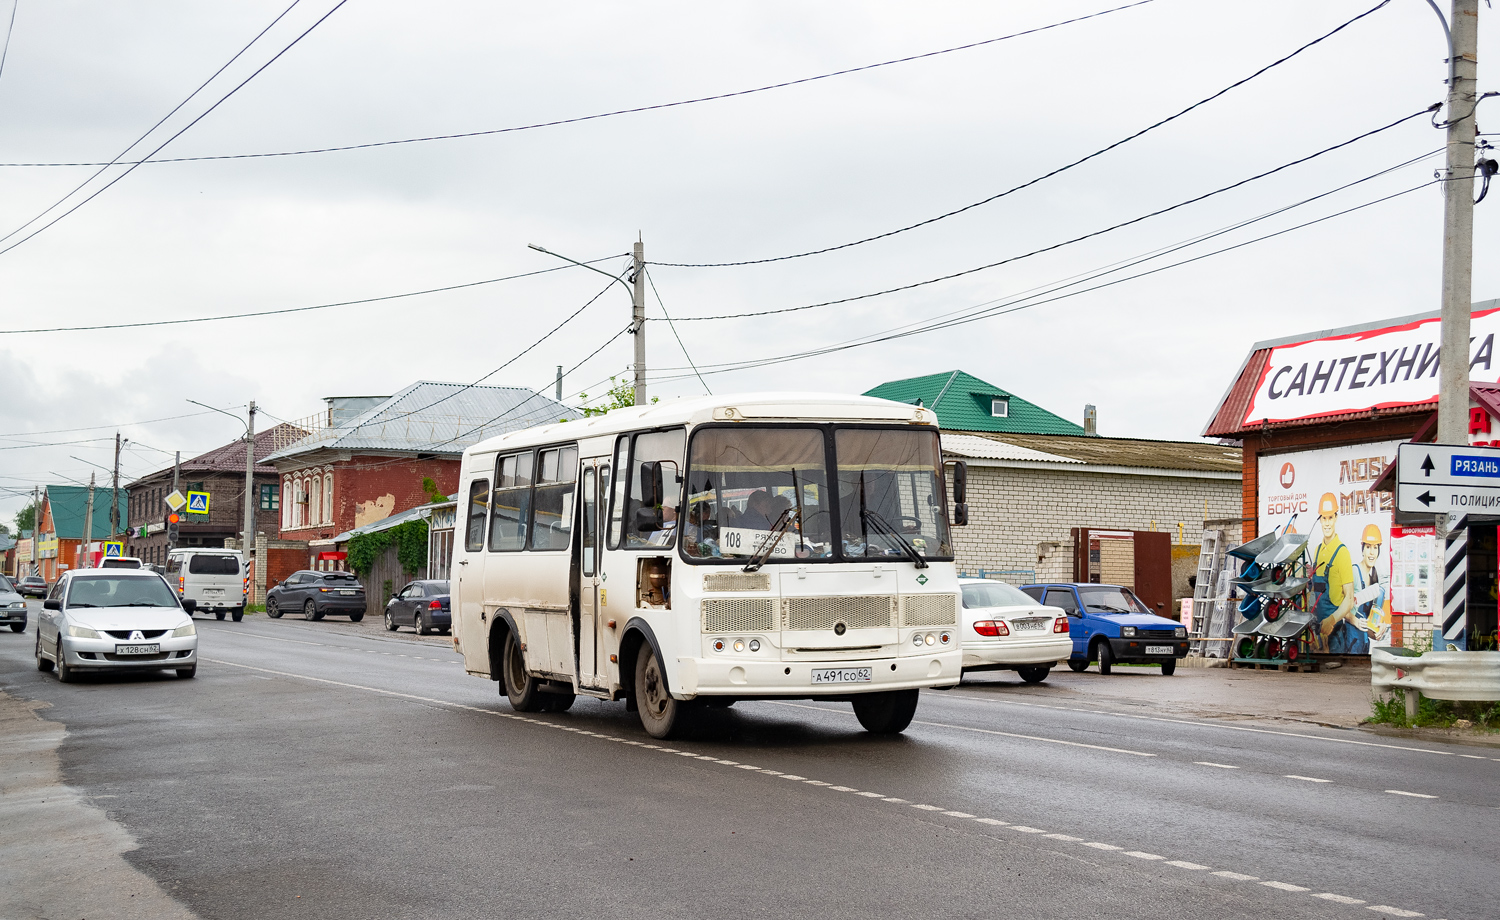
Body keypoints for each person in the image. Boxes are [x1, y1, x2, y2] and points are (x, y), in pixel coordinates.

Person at [1312, 492, 1360, 654]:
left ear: (1336, 518)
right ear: (1319, 519)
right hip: (1318, 631)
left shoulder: (1342, 553)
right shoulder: (1317, 551)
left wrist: (1331, 620)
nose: (1327, 523)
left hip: (1336, 632)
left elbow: (1349, 598)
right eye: (1323, 518)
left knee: (1333, 674)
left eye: (1330, 518)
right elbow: (1314, 591)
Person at [1351, 523, 1388, 646]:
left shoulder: (1374, 580)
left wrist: (1380, 628)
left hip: (1363, 643)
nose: (1372, 553)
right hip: (1350, 641)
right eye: (1368, 547)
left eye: (1375, 548)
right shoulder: (1354, 572)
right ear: (1362, 548)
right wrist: (1354, 620)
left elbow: (1370, 629)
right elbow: (1339, 605)